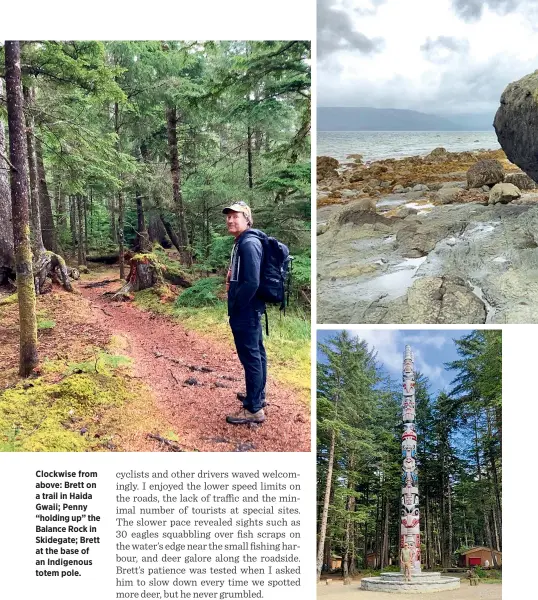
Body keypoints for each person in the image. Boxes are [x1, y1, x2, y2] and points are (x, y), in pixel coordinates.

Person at [223, 201, 267, 425]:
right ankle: (256, 396)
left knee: (251, 357)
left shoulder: (248, 244)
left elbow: (252, 282)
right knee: (257, 354)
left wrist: (238, 305)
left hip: (246, 310)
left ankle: (254, 409)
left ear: (247, 219)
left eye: (235, 216)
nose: (230, 220)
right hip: (251, 308)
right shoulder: (243, 241)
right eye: (228, 217)